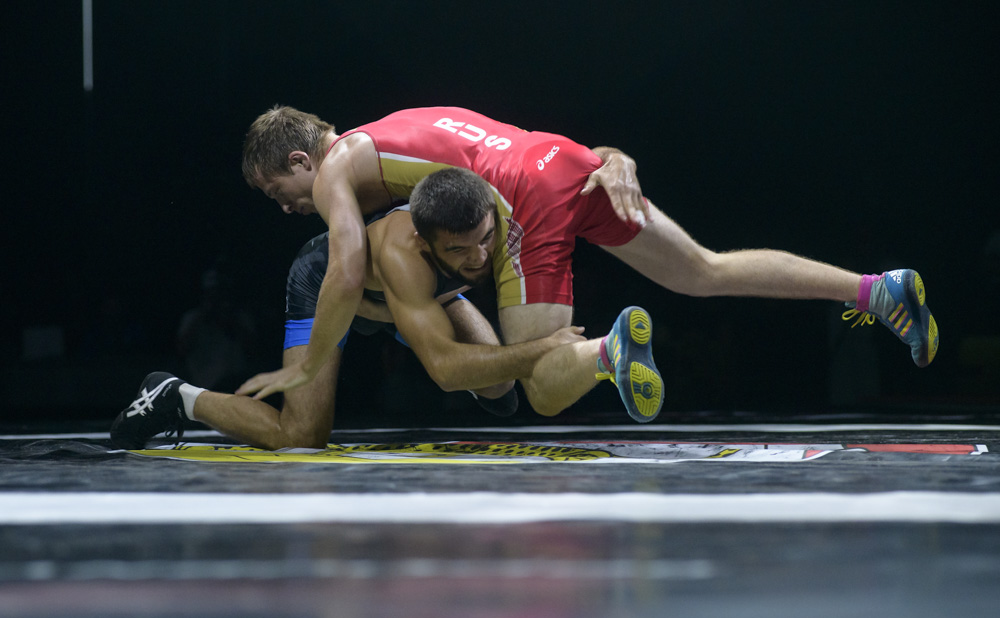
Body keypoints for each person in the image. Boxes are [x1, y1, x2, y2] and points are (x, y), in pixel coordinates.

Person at [237, 105, 938, 420]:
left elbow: (345, 269)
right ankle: (877, 291)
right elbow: (508, 146)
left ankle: (607, 350)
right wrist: (609, 155)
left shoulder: (336, 169)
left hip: (524, 199)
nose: (286, 206)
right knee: (704, 269)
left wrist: (306, 364)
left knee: (541, 385)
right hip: (565, 158)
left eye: (277, 191)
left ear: (299, 159)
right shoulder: (390, 128)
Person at [111, 207, 584, 450]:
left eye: (484, 243)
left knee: (500, 389)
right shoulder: (407, 248)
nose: (478, 257)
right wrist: (544, 348)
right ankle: (176, 395)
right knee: (301, 438)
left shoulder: (499, 215)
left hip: (407, 293)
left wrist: (611, 160)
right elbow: (447, 370)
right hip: (332, 283)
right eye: (463, 250)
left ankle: (401, 312)